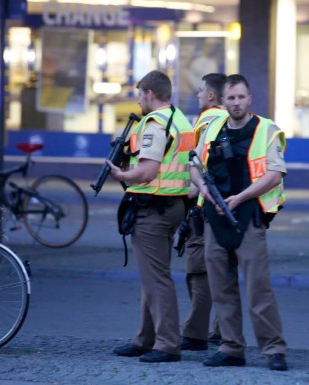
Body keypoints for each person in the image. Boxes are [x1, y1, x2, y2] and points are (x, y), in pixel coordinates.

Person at [190, 74, 288, 371]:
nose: (235, 103)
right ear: (223, 101)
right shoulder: (211, 128)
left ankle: (274, 349)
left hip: (248, 216)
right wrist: (204, 190)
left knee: (258, 288)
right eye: (230, 98)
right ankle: (231, 347)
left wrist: (241, 197)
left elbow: (275, 174)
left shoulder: (267, 129)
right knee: (221, 287)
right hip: (215, 216)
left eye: (240, 97)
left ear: (249, 99)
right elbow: (193, 166)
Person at [107, 70, 195, 363]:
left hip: (153, 208)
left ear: (149, 93)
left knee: (157, 279)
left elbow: (147, 171)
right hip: (174, 205)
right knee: (152, 276)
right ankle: (145, 338)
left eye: (139, 94)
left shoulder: (155, 124)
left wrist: (121, 173)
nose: (139, 99)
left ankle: (168, 343)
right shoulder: (180, 120)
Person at [179, 73, 228, 351]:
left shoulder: (208, 120)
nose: (197, 96)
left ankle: (195, 333)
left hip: (203, 207)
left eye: (200, 91)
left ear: (210, 96)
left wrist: (180, 195)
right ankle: (222, 330)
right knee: (224, 271)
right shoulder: (232, 121)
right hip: (229, 206)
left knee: (199, 271)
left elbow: (198, 167)